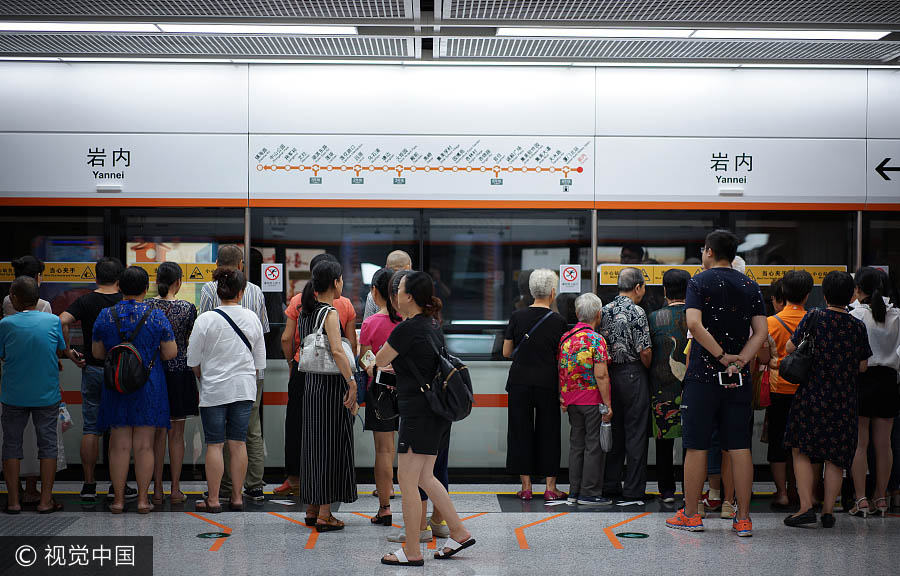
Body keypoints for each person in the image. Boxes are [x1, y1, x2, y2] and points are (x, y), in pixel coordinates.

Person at [666, 230, 767, 537]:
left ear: (708, 251)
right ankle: (744, 518)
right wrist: (739, 360)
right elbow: (761, 333)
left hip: (703, 377)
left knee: (696, 446)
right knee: (739, 447)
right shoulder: (750, 284)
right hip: (738, 378)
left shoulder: (699, 281)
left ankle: (692, 515)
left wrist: (722, 356)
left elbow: (693, 324)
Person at [376, 271, 475, 566]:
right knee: (424, 476)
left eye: (400, 290)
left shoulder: (406, 329)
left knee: (406, 480)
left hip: (418, 413)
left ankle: (412, 551)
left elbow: (379, 360)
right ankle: (458, 532)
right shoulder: (432, 324)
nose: (396, 296)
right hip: (436, 412)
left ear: (408, 297)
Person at [783, 271, 872, 527]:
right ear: (851, 294)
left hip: (812, 395)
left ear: (824, 294)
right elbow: (863, 365)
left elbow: (790, 348)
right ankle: (828, 512)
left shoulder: (814, 316)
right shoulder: (857, 325)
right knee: (835, 457)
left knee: (800, 449)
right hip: (844, 399)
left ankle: (805, 507)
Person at [92, 266, 177, 514]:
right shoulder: (156, 315)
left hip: (116, 384)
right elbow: (170, 352)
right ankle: (142, 500)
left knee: (118, 445)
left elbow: (97, 353)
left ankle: (118, 500)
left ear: (119, 287)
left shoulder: (105, 315)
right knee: (144, 445)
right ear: (145, 288)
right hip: (148, 385)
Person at [276, 252, 357, 497]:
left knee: (298, 427)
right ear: (334, 280)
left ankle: (295, 479)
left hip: (304, 371)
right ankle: (328, 491)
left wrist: (293, 362)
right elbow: (348, 345)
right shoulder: (342, 305)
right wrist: (350, 378)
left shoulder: (299, 302)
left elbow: (286, 337)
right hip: (335, 376)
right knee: (331, 436)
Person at [187, 268, 266, 513]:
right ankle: (237, 498)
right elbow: (259, 363)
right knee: (238, 443)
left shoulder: (205, 319)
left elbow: (192, 360)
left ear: (218, 291)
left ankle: (212, 500)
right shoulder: (252, 318)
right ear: (241, 292)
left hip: (213, 390)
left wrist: (204, 374)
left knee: (214, 444)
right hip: (243, 390)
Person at [59, 256, 134, 502]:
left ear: (96, 277)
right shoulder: (124, 301)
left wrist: (69, 350)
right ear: (120, 278)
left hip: (92, 368)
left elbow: (62, 320)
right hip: (120, 372)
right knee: (118, 429)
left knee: (91, 428)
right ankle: (117, 484)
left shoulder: (86, 300)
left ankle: (89, 485)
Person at [1, 276, 74, 514]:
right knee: (48, 446)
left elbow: (3, 354)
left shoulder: (5, 324)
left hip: (13, 394)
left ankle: (13, 502)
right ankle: (45, 501)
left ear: (14, 297)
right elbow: (57, 347)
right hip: (46, 394)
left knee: (11, 445)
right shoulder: (52, 321)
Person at [297, 259, 357, 532]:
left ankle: (311, 508)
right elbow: (336, 351)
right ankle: (325, 514)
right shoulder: (329, 313)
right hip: (331, 388)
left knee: (313, 446)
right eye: (341, 279)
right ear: (335, 282)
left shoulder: (305, 312)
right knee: (331, 447)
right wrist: (351, 381)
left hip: (311, 386)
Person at [502, 269, 568, 501]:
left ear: (530, 292)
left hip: (519, 382)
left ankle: (526, 487)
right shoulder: (559, 321)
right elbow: (563, 357)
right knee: (549, 432)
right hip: (547, 383)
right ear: (553, 292)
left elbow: (506, 351)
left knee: (520, 431)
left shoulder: (516, 316)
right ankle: (550, 487)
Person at [849, 267, 900, 517]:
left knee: (860, 443)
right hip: (889, 381)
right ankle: (881, 497)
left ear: (858, 289)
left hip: (861, 379)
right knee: (884, 444)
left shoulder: (855, 314)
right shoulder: (898, 315)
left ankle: (860, 499)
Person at [600, 267, 653, 501]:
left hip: (609, 376)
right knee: (636, 433)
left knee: (615, 432)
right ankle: (633, 489)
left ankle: (610, 484)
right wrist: (647, 367)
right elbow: (645, 351)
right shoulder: (638, 311)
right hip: (633, 375)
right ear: (638, 287)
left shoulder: (604, 310)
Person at [148, 262, 199, 505]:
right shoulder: (188, 309)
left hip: (154, 374)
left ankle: (156, 490)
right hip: (180, 373)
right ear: (178, 282)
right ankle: (175, 489)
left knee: (157, 435)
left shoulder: (148, 306)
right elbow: (189, 339)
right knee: (176, 435)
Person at [765, 270, 813, 511]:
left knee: (778, 443)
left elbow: (763, 357)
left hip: (778, 388)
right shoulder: (815, 319)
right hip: (807, 390)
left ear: (782, 294)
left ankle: (782, 493)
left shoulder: (770, 322)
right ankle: (805, 493)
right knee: (805, 444)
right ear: (807, 295)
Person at [558, 293, 612, 506]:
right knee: (593, 446)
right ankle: (589, 493)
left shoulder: (566, 338)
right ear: (598, 315)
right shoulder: (596, 340)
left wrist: (563, 397)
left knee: (576, 445)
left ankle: (574, 491)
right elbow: (601, 375)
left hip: (571, 401)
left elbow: (562, 370)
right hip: (592, 400)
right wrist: (608, 404)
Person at [359, 268, 402, 525]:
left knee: (384, 452)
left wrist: (375, 367)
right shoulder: (408, 323)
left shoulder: (370, 323)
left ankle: (384, 508)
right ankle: (416, 510)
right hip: (409, 391)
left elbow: (365, 357)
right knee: (412, 454)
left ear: (376, 292)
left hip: (380, 391)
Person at [648, 269, 691, 504]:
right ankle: (689, 489)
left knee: (663, 440)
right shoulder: (696, 317)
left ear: (664, 291)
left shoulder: (653, 318)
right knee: (690, 442)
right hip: (692, 389)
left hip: (660, 388)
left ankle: (666, 490)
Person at [364, 251, 413, 320]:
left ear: (386, 268)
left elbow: (367, 323)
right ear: (408, 268)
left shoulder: (374, 294)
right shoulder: (415, 293)